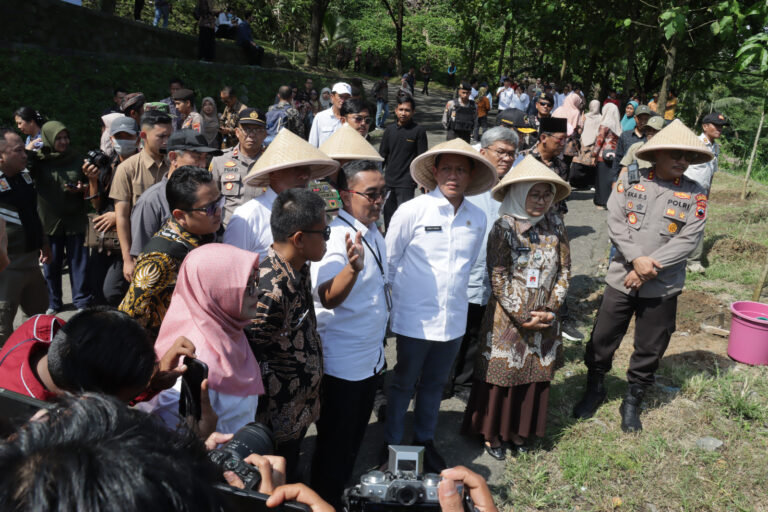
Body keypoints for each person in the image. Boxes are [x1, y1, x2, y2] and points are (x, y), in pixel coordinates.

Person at [573, 120, 713, 432]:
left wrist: (648, 269)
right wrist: (636, 259)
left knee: (650, 346)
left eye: (687, 157)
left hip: (662, 285)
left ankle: (633, 400)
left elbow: (689, 239)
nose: (682, 161)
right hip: (622, 276)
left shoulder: (695, 194)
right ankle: (594, 389)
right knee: (602, 338)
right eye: (675, 154)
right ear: (658, 154)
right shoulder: (631, 178)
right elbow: (616, 219)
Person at [384, 138, 496, 473]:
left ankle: (424, 441)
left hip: (453, 319)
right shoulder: (412, 211)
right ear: (434, 172)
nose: (453, 175)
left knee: (434, 385)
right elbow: (389, 262)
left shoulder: (476, 218)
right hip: (414, 318)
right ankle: (392, 444)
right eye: (446, 167)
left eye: (460, 169)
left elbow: (469, 264)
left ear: (470, 174)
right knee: (404, 382)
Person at [462, 154, 571, 458]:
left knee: (535, 373)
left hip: (545, 317)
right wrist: (522, 316)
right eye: (534, 194)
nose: (541, 200)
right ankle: (492, 434)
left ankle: (520, 432)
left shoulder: (556, 223)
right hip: (508, 319)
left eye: (546, 194)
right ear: (518, 194)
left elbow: (565, 271)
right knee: (502, 376)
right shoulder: (504, 227)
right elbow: (497, 277)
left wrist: (550, 308)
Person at [309, 160, 387, 509]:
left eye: (383, 193)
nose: (379, 200)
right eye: (371, 194)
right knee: (335, 443)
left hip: (370, 358)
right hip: (343, 364)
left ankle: (338, 491)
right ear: (345, 195)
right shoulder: (337, 237)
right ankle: (323, 499)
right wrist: (352, 271)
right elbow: (326, 295)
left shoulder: (372, 230)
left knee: (354, 436)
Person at [140, 243, 264, 434]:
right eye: (247, 286)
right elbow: (172, 434)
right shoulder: (193, 360)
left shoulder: (226, 331)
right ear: (216, 290)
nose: (257, 292)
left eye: (255, 281)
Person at [249, 188, 328, 477]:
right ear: (299, 239)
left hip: (298, 408)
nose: (328, 239)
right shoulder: (270, 289)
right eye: (324, 232)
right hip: (275, 420)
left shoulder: (299, 268)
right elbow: (253, 354)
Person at [447, 127, 519, 402]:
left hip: (490, 274)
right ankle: (442, 381)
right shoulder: (465, 184)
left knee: (477, 330)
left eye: (511, 154)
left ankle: (464, 382)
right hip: (460, 271)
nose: (506, 158)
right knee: (451, 330)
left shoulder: (509, 187)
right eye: (500, 152)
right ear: (483, 152)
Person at [119, 167, 220, 338]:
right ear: (180, 215)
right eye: (209, 208)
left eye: (219, 201)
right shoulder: (160, 259)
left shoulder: (205, 233)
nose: (218, 211)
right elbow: (129, 320)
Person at [224, 129, 338, 262]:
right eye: (296, 168)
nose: (305, 175)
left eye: (307, 169)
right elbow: (231, 268)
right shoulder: (249, 216)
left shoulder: (312, 212)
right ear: (274, 173)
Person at [27, 121, 90, 314]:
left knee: (79, 262)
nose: (63, 142)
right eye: (58, 138)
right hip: (49, 220)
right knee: (51, 263)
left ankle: (81, 301)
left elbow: (88, 183)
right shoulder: (39, 160)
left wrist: (82, 187)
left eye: (65, 137)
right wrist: (28, 151)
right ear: (47, 139)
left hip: (74, 217)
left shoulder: (76, 158)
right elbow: (24, 172)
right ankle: (53, 302)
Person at [129, 130, 221, 259]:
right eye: (197, 157)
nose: (203, 164)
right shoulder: (151, 201)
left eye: (205, 158)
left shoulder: (207, 193)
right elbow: (141, 253)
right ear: (173, 158)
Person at [83, 117, 141, 306]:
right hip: (105, 239)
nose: (122, 140)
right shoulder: (109, 165)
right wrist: (92, 180)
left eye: (127, 136)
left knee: (113, 291)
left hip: (130, 237)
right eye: (118, 136)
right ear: (111, 139)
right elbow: (97, 206)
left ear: (138, 138)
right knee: (96, 287)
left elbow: (149, 203)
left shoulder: (144, 166)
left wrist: (118, 215)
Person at [110, 110, 172, 282]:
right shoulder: (127, 169)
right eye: (161, 136)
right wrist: (127, 259)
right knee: (113, 290)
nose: (167, 141)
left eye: (170, 136)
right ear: (144, 136)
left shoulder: (175, 165)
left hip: (172, 246)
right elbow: (121, 217)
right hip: (141, 247)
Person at [0, 128, 50, 344]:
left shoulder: (25, 177)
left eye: (24, 149)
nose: (24, 154)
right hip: (6, 265)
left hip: (31, 262)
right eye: (18, 150)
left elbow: (34, 213)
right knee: (2, 326)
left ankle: (28, 364)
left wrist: (44, 243)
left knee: (37, 319)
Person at [684, 111, 728, 273]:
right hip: (685, 190)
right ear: (704, 126)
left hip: (701, 194)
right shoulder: (694, 143)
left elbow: (711, 173)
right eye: (715, 125)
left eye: (721, 126)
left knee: (698, 225)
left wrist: (707, 193)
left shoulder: (715, 147)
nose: (719, 129)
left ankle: (693, 261)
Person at [210, 108, 267, 228]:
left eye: (257, 130)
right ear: (237, 132)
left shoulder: (273, 163)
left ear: (265, 134)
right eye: (246, 129)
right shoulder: (220, 160)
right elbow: (210, 199)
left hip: (263, 231)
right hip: (229, 230)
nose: (251, 135)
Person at [379, 95, 428, 228]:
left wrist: (423, 181)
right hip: (389, 182)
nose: (403, 113)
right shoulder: (389, 130)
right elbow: (382, 155)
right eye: (401, 109)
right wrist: (378, 177)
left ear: (413, 112)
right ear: (395, 110)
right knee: (388, 217)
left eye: (407, 110)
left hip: (406, 183)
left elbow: (422, 158)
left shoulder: (419, 131)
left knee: (404, 218)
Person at [611, 104, 652, 185]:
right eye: (640, 119)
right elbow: (618, 159)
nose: (643, 122)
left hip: (647, 181)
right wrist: (615, 180)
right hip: (627, 179)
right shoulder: (625, 136)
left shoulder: (651, 138)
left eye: (646, 119)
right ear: (635, 118)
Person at [591, 103, 621, 208]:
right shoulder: (617, 124)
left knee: (601, 179)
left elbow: (599, 141)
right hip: (614, 155)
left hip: (602, 156)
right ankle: (610, 200)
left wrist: (593, 155)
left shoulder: (605, 124)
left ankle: (601, 201)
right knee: (610, 179)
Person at [569, 99, 602, 189]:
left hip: (589, 142)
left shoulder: (598, 117)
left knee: (587, 163)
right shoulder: (588, 116)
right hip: (587, 141)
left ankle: (582, 182)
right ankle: (579, 182)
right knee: (582, 163)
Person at [309, 82, 351, 147]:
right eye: (340, 96)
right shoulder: (320, 117)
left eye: (347, 98)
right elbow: (312, 145)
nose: (343, 100)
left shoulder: (353, 120)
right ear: (332, 97)